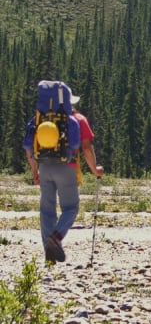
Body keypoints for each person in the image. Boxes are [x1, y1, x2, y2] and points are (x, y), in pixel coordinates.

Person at [24, 86, 104, 264]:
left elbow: (29, 147)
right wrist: (95, 169)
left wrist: (34, 171)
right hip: (67, 168)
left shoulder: (41, 119)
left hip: (44, 167)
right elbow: (86, 147)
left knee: (47, 210)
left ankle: (49, 254)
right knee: (70, 208)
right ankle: (56, 237)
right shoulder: (78, 119)